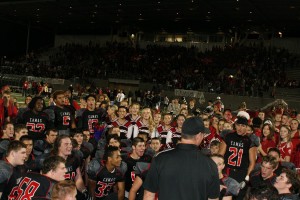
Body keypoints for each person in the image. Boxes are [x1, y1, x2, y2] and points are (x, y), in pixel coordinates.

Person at [143, 117, 220, 200]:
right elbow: (213, 199)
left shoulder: (160, 158)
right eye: (203, 135)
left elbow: (148, 195)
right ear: (198, 136)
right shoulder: (210, 165)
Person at [219, 116, 257, 200]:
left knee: (239, 197)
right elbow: (220, 155)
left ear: (247, 127)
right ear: (235, 125)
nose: (240, 128)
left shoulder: (250, 141)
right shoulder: (228, 136)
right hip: (227, 171)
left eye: (243, 126)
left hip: (241, 173)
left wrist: (247, 177)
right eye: (238, 125)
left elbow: (252, 162)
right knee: (224, 196)